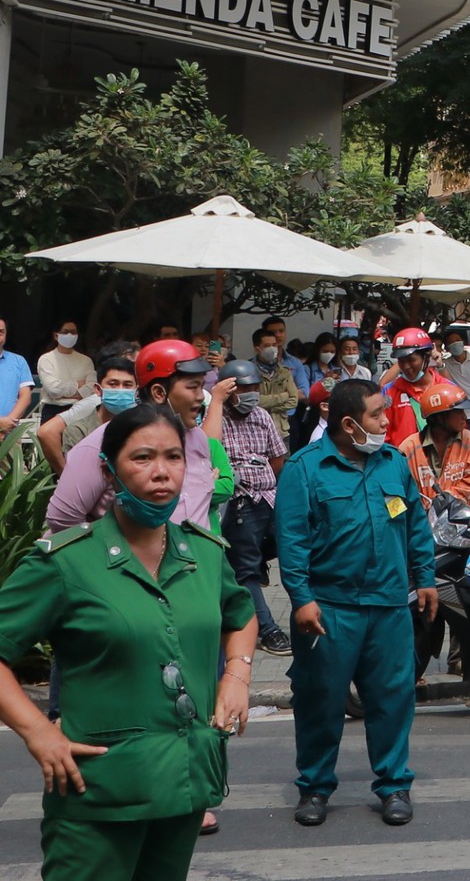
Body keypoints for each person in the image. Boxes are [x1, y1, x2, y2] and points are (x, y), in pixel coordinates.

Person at [0, 402, 255, 880]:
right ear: (108, 470)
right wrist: (38, 733)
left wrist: (237, 675)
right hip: (99, 797)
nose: (161, 473)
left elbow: (239, 616)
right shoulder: (65, 562)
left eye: (173, 457)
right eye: (141, 458)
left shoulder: (202, 552)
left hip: (185, 783)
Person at [275, 379, 438, 828]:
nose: (386, 421)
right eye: (376, 415)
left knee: (392, 699)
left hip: (388, 606)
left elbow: (415, 524)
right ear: (348, 424)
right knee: (320, 700)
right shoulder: (305, 468)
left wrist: (425, 578)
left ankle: (393, 786)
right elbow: (291, 541)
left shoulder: (392, 463)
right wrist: (301, 599)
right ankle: (314, 787)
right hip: (329, 609)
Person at [48, 342, 217, 531]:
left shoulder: (199, 439)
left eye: (202, 387)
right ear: (159, 393)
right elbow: (62, 520)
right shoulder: (105, 441)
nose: (201, 396)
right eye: (192, 387)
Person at [213, 358, 292, 654]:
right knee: (245, 569)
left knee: (286, 554)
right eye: (244, 388)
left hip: (269, 498)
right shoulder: (216, 417)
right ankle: (268, 629)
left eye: (255, 388)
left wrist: (261, 474)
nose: (251, 394)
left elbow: (277, 458)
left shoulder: (261, 416)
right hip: (238, 501)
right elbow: (209, 453)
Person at [38, 355, 138, 474]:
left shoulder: (144, 429)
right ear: (97, 389)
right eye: (113, 384)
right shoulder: (78, 432)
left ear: (136, 391)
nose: (120, 390)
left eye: (127, 385)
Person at [401, 378, 470, 507]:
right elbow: (403, 490)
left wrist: (441, 504)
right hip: (422, 522)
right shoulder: (408, 448)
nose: (465, 417)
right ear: (439, 417)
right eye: (458, 412)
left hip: (459, 518)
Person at [379, 329, 435, 448]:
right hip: (400, 462)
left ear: (427, 357)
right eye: (401, 361)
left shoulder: (445, 388)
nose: (406, 366)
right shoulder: (389, 391)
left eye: (411, 360)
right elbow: (383, 434)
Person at [36, 321, 93, 424]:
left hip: (80, 411)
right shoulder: (46, 359)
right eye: (65, 332)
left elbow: (92, 388)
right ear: (56, 335)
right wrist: (78, 385)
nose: (70, 335)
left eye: (73, 332)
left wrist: (62, 393)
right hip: (52, 411)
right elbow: (53, 390)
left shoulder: (86, 361)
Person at [248, 328, 300, 426]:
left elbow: (293, 400)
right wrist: (283, 397)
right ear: (257, 348)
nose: (272, 349)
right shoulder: (248, 370)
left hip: (281, 430)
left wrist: (269, 407)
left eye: (274, 345)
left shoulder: (284, 371)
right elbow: (253, 400)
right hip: (257, 427)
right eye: (267, 346)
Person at [0, 317, 36, 438]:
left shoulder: (19, 361)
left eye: (1, 332)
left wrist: (7, 424)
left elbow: (25, 397)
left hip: (10, 433)